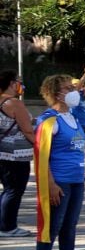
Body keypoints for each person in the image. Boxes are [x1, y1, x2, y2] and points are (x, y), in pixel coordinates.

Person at [31, 75, 85, 250]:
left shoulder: (72, 117)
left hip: (76, 180)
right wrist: (51, 184)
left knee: (69, 228)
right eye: (67, 88)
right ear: (57, 93)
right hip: (58, 182)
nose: (73, 91)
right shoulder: (48, 120)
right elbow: (40, 156)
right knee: (50, 227)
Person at [0, 72, 36, 237]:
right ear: (11, 83)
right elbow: (27, 130)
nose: (21, 85)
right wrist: (41, 146)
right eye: (19, 82)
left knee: (8, 189)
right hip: (15, 154)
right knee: (14, 190)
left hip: (2, 153)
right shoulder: (14, 103)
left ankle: (4, 224)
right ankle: (8, 227)